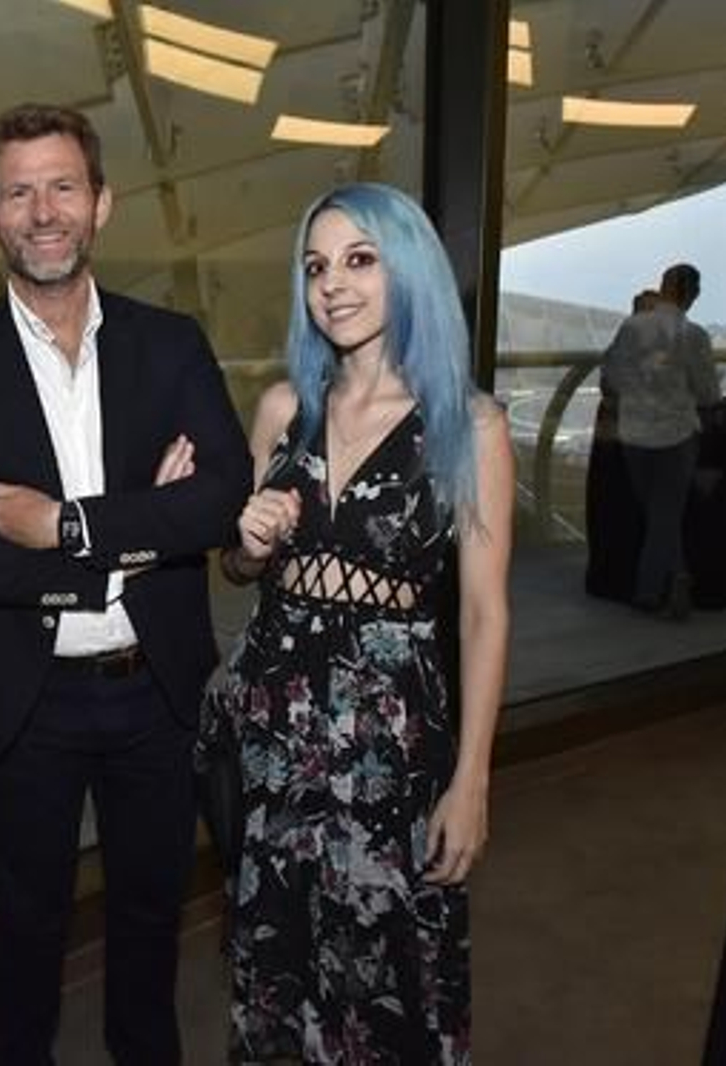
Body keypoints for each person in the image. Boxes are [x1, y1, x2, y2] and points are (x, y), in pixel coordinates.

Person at [0, 103, 251, 1064]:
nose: (43, 210)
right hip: (32, 703)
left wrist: (65, 526)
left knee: (150, 924)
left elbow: (223, 500)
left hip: (158, 692)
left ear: (100, 203)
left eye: (62, 185)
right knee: (26, 933)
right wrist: (140, 532)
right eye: (18, 192)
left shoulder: (171, 344)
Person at [207, 182, 513, 1063]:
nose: (332, 284)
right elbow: (241, 570)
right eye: (315, 266)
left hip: (394, 745)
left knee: (392, 974)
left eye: (359, 259)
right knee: (281, 961)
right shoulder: (281, 410)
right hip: (276, 735)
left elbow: (487, 613)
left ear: (405, 268)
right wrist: (251, 544)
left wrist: (474, 779)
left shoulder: (469, 423)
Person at [600, 262, 720, 618]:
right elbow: (708, 393)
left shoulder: (633, 327)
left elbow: (613, 376)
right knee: (665, 514)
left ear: (664, 286)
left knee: (657, 513)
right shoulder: (696, 335)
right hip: (677, 433)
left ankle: (663, 584)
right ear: (693, 295)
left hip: (634, 432)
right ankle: (662, 587)